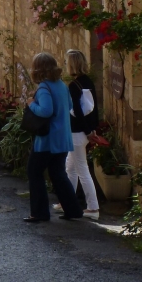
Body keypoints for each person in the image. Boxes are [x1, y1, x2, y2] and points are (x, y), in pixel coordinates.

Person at [24, 52, 83, 223]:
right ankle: (73, 210)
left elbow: (46, 111)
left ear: (38, 69)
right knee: (58, 174)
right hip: (63, 138)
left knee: (34, 172)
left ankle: (39, 213)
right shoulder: (62, 85)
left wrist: (31, 104)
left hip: (47, 140)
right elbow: (70, 105)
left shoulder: (44, 87)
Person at [58, 48, 100, 220]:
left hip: (77, 132)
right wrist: (91, 128)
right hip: (82, 132)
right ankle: (67, 201)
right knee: (71, 167)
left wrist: (88, 130)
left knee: (81, 169)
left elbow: (77, 110)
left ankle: (93, 208)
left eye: (67, 62)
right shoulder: (87, 82)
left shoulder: (74, 86)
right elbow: (92, 109)